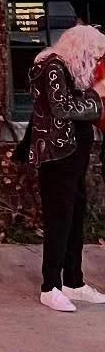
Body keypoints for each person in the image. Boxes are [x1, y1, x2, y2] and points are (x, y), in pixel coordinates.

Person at [25, 22, 105, 311]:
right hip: (57, 155)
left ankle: (73, 280)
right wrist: (97, 97)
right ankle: (51, 285)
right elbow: (63, 108)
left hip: (76, 152)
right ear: (81, 49)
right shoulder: (51, 67)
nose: (96, 61)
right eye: (94, 55)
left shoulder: (70, 70)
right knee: (59, 219)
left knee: (75, 217)